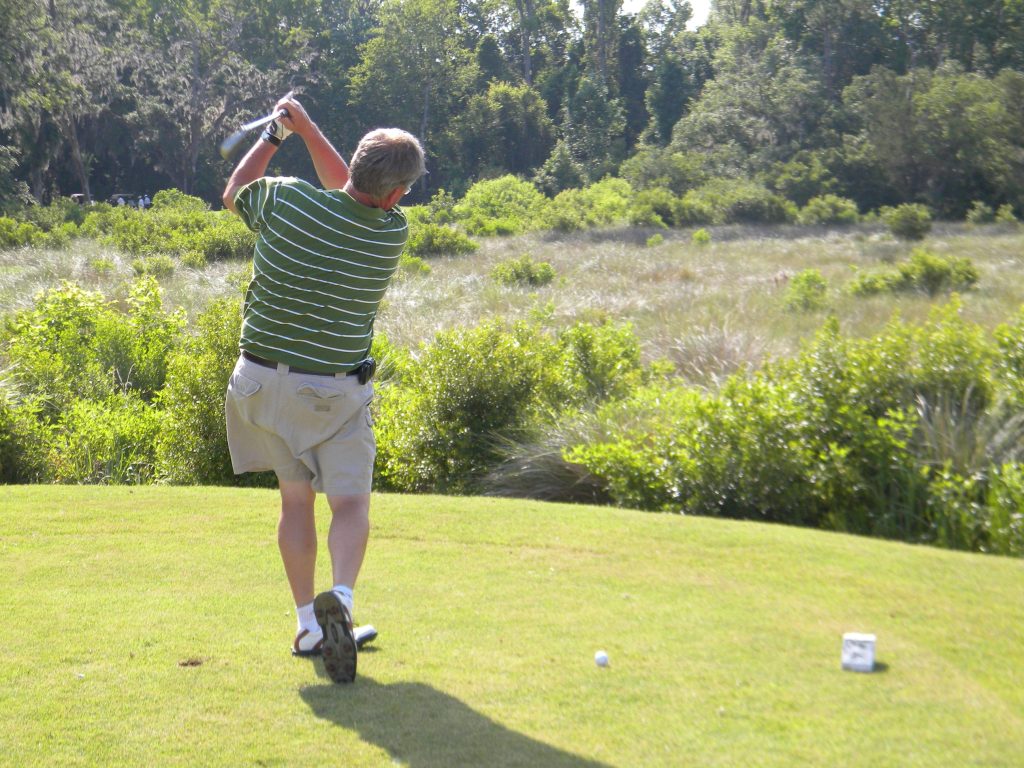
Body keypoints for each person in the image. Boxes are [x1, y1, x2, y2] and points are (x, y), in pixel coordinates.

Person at [222, 95, 425, 684]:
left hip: (259, 383)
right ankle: (342, 599)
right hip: (333, 394)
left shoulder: (284, 199)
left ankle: (309, 624)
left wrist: (280, 133)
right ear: (397, 194)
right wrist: (310, 131)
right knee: (350, 504)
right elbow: (354, 193)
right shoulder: (391, 232)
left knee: (295, 502)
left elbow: (235, 191)